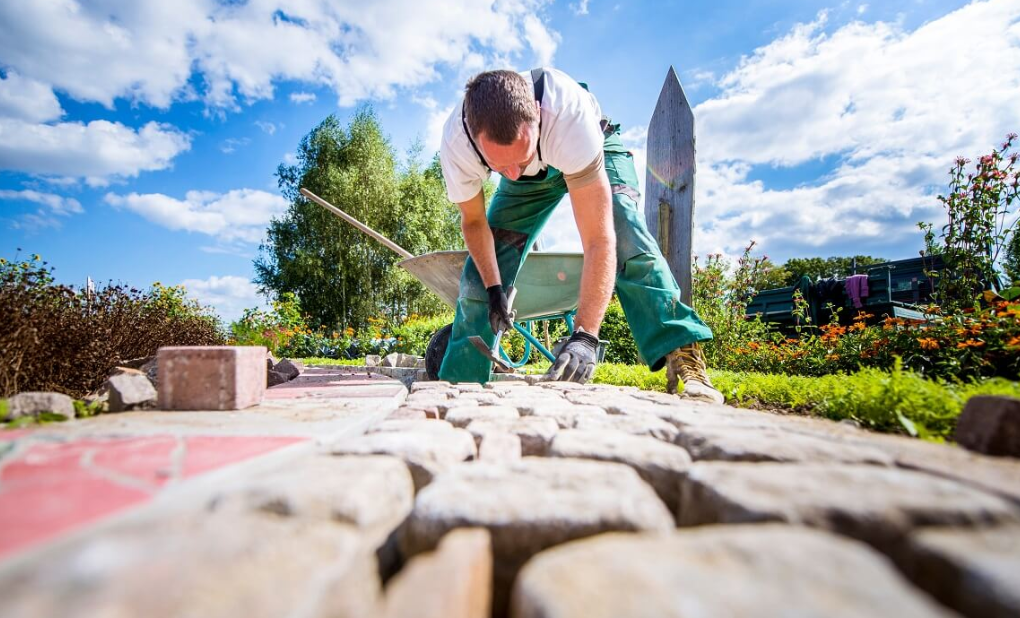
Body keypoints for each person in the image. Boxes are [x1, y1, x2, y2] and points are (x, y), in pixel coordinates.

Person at [436, 67, 723, 403]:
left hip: (592, 151)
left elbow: (598, 240)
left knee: (627, 232)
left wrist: (586, 336)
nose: (511, 173)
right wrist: (493, 288)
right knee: (479, 276)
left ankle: (685, 360)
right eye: (499, 167)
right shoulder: (458, 144)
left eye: (520, 157)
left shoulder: (568, 116)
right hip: (526, 185)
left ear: (538, 117)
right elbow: (474, 223)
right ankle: (457, 385)